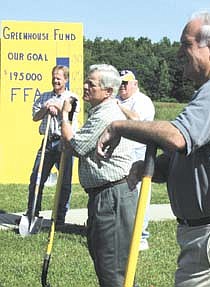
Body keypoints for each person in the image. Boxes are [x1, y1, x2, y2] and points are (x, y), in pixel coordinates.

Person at [96, 11, 210, 287]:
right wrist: (158, 168)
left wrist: (118, 127)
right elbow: (206, 154)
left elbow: (178, 136)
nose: (179, 54)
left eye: (186, 45)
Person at [60, 64, 138, 287]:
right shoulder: (102, 112)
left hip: (112, 196)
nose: (85, 86)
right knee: (106, 262)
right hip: (105, 195)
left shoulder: (105, 115)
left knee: (112, 268)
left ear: (108, 92)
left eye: (91, 84)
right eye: (86, 81)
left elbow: (75, 146)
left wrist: (65, 116)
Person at [24, 65, 79, 225]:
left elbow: (70, 116)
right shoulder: (44, 97)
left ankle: (60, 218)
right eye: (54, 77)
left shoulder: (72, 98)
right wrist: (46, 108)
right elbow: (35, 117)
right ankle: (32, 213)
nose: (55, 80)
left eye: (59, 78)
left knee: (64, 182)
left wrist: (58, 107)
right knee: (36, 177)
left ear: (66, 80)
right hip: (47, 141)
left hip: (64, 142)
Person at [117, 69, 155, 251]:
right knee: (122, 195)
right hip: (121, 153)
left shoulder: (142, 101)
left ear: (135, 84)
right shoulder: (117, 99)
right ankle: (124, 232)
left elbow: (137, 120)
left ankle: (141, 237)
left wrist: (118, 106)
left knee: (140, 196)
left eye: (125, 83)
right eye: (120, 83)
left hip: (139, 154)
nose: (122, 86)